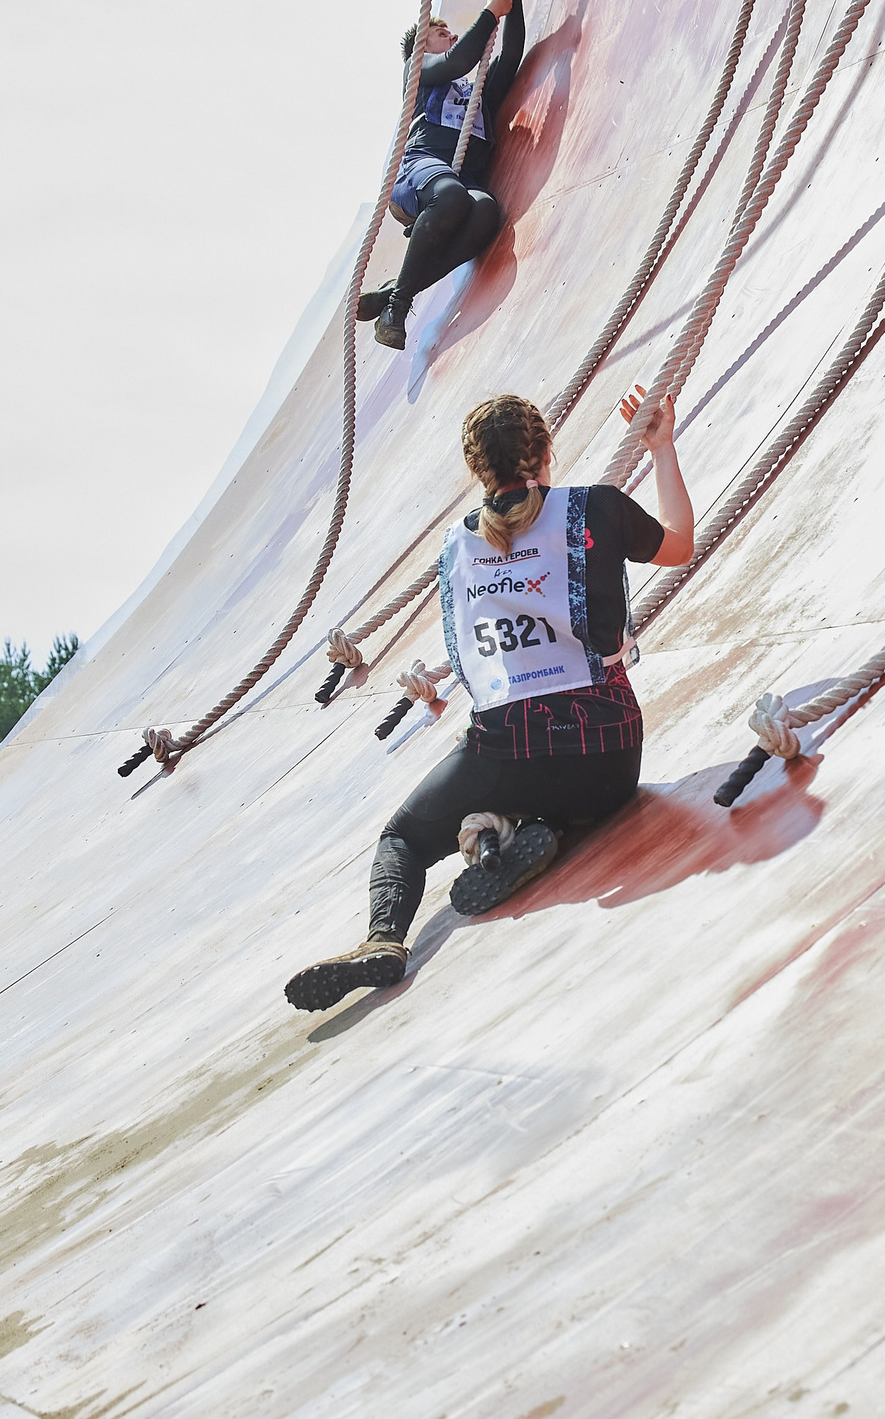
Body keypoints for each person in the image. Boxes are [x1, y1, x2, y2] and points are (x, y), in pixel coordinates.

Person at [285, 384, 695, 1010]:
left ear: (477, 470)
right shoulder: (598, 509)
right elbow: (679, 543)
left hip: (512, 748)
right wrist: (661, 450)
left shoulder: (457, 547)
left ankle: (386, 940)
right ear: (546, 452)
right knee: (552, 786)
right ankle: (535, 831)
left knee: (403, 838)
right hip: (611, 756)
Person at [357, 0, 529, 350]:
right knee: (451, 195)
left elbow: (511, 57)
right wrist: (489, 14)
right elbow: (456, 60)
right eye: (440, 33)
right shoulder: (418, 74)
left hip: (459, 179)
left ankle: (396, 293)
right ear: (421, 48)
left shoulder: (474, 97)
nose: (450, 35)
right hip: (424, 166)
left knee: (484, 209)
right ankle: (399, 307)